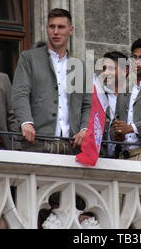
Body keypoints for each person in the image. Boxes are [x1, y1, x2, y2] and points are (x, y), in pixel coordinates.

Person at [11, 8, 91, 154]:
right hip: (36, 141)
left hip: (71, 145)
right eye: (51, 26)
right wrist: (26, 122)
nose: (56, 32)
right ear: (46, 29)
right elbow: (20, 93)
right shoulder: (29, 58)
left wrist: (84, 129)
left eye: (61, 27)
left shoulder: (79, 66)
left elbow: (86, 105)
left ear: (71, 30)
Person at [99, 51, 128, 158]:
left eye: (111, 69)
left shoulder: (132, 97)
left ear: (125, 71)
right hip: (99, 159)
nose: (105, 73)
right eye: (104, 69)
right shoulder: (96, 95)